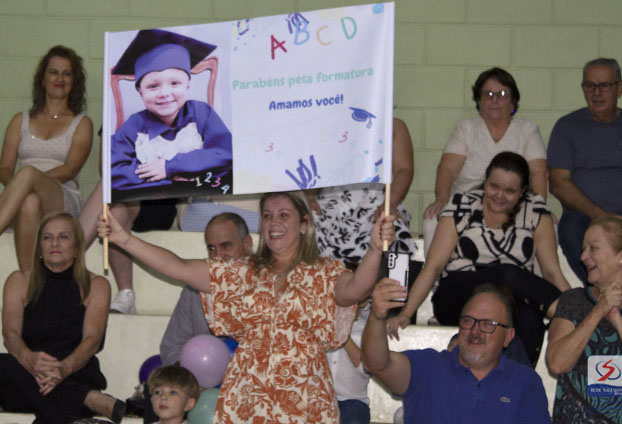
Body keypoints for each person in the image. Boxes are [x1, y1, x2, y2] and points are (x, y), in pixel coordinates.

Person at [97, 190, 395, 423]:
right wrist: (124, 239)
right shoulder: (240, 272)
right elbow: (178, 267)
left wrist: (373, 248)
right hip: (247, 399)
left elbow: (357, 288)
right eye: (267, 216)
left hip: (306, 400)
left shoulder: (324, 272)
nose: (273, 223)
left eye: (283, 215)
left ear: (304, 224)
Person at [387, 152, 570, 365]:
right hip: (457, 296)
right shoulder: (462, 206)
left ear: (522, 192)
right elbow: (433, 267)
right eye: (494, 186)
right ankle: (571, 312)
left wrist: (569, 296)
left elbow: (551, 272)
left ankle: (515, 382)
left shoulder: (535, 211)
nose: (499, 195)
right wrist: (406, 312)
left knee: (531, 317)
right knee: (506, 273)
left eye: (509, 191)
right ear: (485, 183)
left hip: (509, 302)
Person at [362, 281, 551, 423]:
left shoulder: (525, 382)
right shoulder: (426, 367)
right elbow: (376, 364)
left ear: (508, 337)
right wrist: (377, 317)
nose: (475, 331)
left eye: (487, 324)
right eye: (468, 321)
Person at [0, 212, 125, 423]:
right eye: (47, 237)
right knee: (3, 365)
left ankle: (75, 396)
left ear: (76, 246)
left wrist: (64, 369)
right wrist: (29, 360)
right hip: (26, 377)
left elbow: (92, 340)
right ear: (39, 246)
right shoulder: (19, 280)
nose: (54, 243)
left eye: (63, 237)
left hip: (75, 372)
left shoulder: (96, 285)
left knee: (53, 403)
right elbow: (10, 333)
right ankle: (89, 399)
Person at [422, 67, 547, 252]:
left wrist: (540, 206)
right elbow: (446, 169)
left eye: (502, 94)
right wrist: (442, 199)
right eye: (488, 94)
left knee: (548, 225)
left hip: (513, 205)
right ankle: (436, 271)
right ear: (478, 100)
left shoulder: (528, 131)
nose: (494, 100)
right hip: (467, 203)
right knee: (432, 220)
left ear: (513, 100)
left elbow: (538, 172)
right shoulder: (466, 129)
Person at [548, 57, 622, 285]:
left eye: (605, 85)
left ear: (619, 88)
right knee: (569, 230)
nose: (596, 93)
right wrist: (599, 215)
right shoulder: (567, 127)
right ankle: (598, 291)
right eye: (590, 86)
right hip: (585, 217)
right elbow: (558, 183)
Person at [110, 28, 232, 199]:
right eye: (153, 86)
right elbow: (115, 171)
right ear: (140, 92)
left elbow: (225, 154)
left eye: (175, 83)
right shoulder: (134, 125)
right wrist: (161, 174)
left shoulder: (202, 113)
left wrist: (171, 167)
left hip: (203, 194)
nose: (164, 93)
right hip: (153, 200)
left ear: (187, 86)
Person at [0, 45, 92, 271]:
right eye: (53, 72)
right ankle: (28, 279)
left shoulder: (82, 123)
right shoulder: (19, 120)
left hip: (61, 196)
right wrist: (24, 188)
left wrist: (31, 180)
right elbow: (4, 169)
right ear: (42, 79)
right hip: (22, 197)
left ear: (74, 82)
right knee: (29, 202)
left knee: (27, 174)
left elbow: (70, 169)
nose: (59, 79)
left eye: (67, 74)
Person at [546, 217, 622, 423]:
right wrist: (598, 310)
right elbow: (557, 364)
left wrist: (616, 318)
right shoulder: (573, 301)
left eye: (593, 248)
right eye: (583, 249)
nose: (583, 257)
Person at [310, 117, 417, 265]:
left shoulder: (394, 126)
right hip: (330, 201)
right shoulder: (322, 125)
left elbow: (404, 170)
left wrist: (389, 205)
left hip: (379, 199)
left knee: (391, 225)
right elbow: (310, 167)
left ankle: (390, 277)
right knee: (307, 222)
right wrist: (309, 197)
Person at [159, 212, 252, 365]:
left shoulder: (266, 282)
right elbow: (172, 346)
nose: (218, 255)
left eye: (225, 246)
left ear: (247, 243)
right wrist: (189, 372)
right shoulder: (194, 289)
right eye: (212, 248)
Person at [79, 177, 177, 314]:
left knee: (110, 183)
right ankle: (126, 295)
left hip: (158, 202)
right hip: (127, 196)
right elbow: (107, 170)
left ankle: (71, 258)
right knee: (115, 211)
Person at [326, 302, 371, 424]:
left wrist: (343, 335)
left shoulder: (366, 330)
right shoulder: (324, 327)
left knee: (353, 420)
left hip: (353, 400)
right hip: (322, 398)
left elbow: (365, 367)